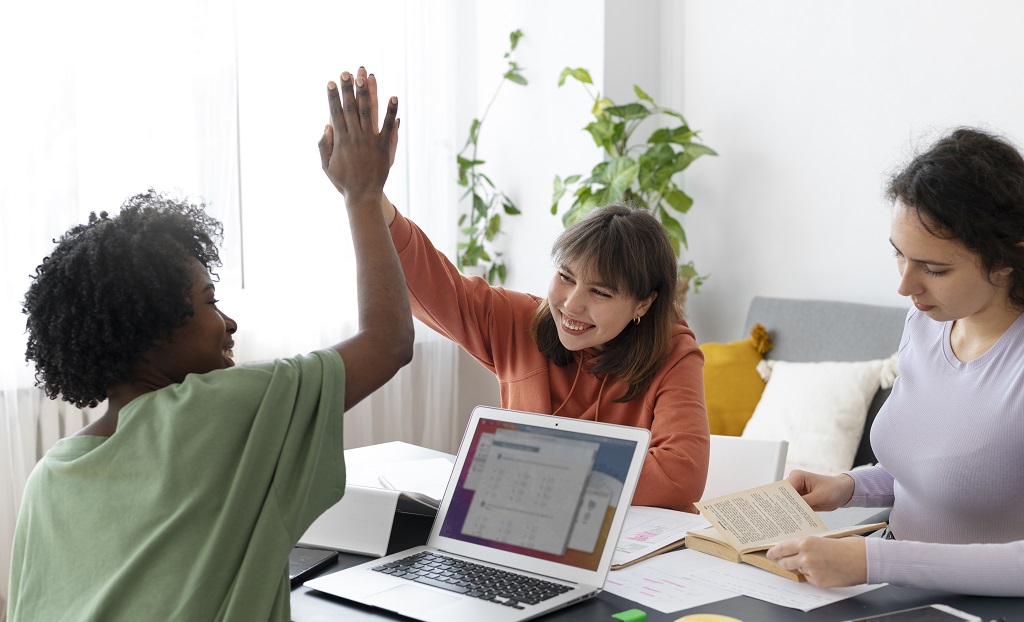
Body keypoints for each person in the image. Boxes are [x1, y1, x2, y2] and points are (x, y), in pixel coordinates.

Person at [7, 70, 413, 620]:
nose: (230, 324)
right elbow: (388, 342)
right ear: (152, 331)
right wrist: (363, 193)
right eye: (209, 301)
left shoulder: (49, 475)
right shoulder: (213, 410)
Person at [320, 71, 710, 513]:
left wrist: (532, 474)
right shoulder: (521, 321)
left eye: (600, 293)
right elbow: (429, 281)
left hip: (638, 560)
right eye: (565, 276)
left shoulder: (672, 352)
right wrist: (368, 195)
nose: (572, 304)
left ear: (644, 303)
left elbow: (679, 475)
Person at [766, 127, 1024, 597]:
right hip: (894, 584)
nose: (906, 286)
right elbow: (935, 469)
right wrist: (847, 487)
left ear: (1007, 258)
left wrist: (872, 559)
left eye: (934, 269)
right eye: (899, 255)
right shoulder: (925, 323)